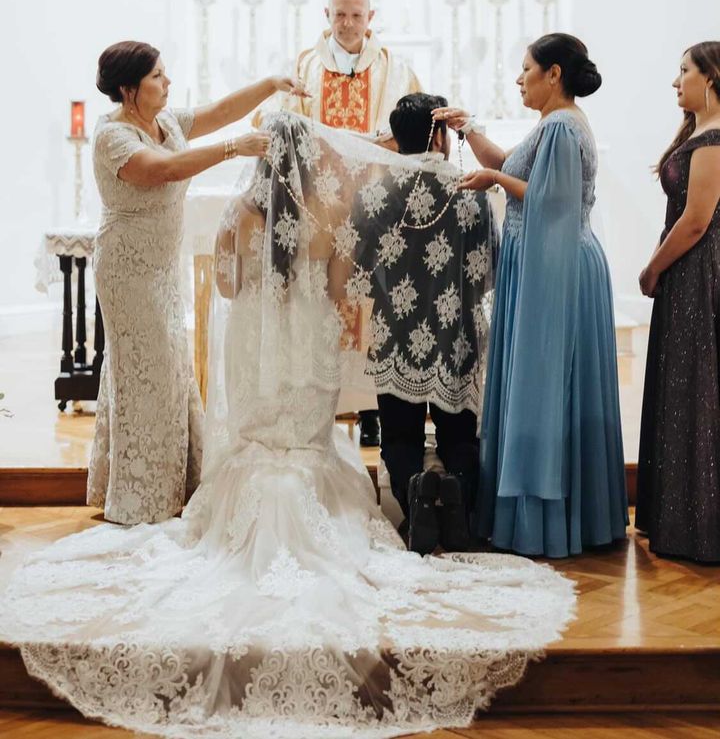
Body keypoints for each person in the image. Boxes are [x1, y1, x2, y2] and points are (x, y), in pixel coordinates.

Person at [0, 112, 575, 737]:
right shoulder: (329, 221)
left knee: (256, 436)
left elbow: (224, 287)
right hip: (308, 360)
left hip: (255, 355)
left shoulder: (238, 218)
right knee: (307, 441)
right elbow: (339, 297)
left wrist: (257, 292)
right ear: (312, 160)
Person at [89, 39, 306, 525]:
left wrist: (270, 84)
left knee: (167, 371)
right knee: (147, 371)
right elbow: (159, 171)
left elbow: (217, 112)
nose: (168, 83)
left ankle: (169, 484)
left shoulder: (163, 123)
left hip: (161, 267)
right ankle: (139, 496)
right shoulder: (113, 135)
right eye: (157, 77)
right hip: (127, 267)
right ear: (129, 89)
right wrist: (234, 149)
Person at [439, 33, 628, 558]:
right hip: (547, 259)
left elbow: (552, 202)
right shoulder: (551, 123)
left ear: (554, 75)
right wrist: (470, 129)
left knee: (547, 384)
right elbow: (514, 167)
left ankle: (547, 519)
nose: (518, 79)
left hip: (559, 266)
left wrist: (495, 178)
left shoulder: (564, 127)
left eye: (526, 69)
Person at [271, 0, 422, 446]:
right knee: (324, 300)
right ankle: (325, 401)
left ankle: (373, 407)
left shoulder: (396, 69)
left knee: (371, 303)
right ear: (327, 14)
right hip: (321, 204)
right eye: (340, 15)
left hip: (375, 204)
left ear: (370, 17)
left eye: (357, 15)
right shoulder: (304, 66)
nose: (349, 24)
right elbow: (286, 127)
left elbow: (412, 131)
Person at [353, 93, 498, 554]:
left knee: (399, 432)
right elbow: (489, 269)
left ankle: (415, 505)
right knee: (459, 430)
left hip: (395, 334)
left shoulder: (375, 194)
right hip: (455, 331)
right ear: (439, 134)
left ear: (396, 139)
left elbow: (357, 268)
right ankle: (458, 512)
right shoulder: (470, 189)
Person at [636, 41, 720, 562]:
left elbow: (695, 221)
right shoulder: (701, 134)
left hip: (696, 274)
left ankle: (698, 526)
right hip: (688, 273)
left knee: (695, 388)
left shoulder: (713, 141)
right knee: (687, 387)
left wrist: (652, 267)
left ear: (709, 78)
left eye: (683, 71)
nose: (676, 81)